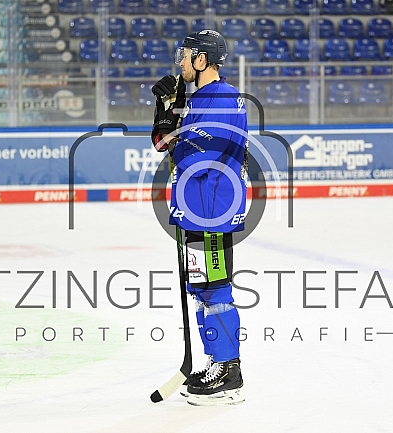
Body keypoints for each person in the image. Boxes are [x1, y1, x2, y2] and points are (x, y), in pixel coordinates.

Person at [150, 30, 248, 406]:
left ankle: (228, 370)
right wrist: (167, 114)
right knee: (203, 289)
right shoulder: (198, 99)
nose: (181, 62)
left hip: (211, 211)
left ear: (202, 59)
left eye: (187, 55)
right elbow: (166, 145)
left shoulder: (222, 98)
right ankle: (216, 362)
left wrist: (171, 128)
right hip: (195, 210)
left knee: (216, 290)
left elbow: (194, 155)